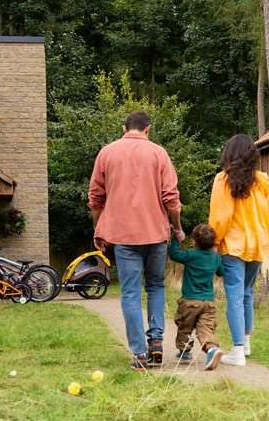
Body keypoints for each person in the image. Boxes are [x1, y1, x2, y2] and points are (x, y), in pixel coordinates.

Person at [88, 110, 183, 370]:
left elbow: (96, 197)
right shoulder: (159, 153)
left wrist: (99, 229)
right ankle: (156, 342)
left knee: (130, 292)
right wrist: (177, 228)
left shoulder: (106, 153)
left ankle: (139, 354)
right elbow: (171, 198)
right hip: (156, 234)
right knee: (155, 286)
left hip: (123, 236)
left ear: (124, 127)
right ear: (148, 129)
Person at [208, 133, 269, 367]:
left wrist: (214, 243)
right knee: (247, 292)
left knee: (235, 295)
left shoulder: (223, 180)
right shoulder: (262, 180)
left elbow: (221, 216)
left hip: (234, 247)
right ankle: (245, 343)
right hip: (257, 244)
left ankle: (237, 351)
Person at [168, 223, 224, 371]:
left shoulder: (192, 254)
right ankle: (211, 349)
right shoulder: (215, 257)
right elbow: (221, 272)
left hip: (189, 301)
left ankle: (184, 353)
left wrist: (175, 237)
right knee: (206, 329)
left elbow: (174, 254)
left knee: (184, 327)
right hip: (208, 302)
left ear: (195, 241)